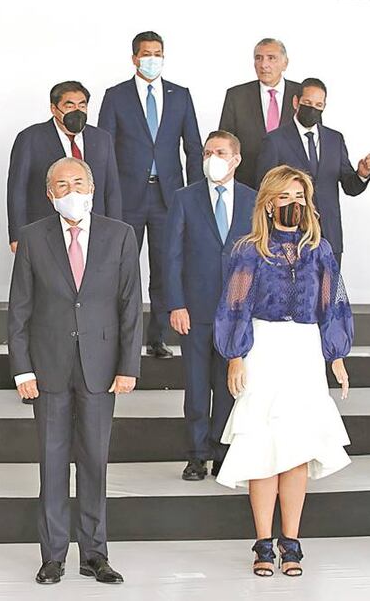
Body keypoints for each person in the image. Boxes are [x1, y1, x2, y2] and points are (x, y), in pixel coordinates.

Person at [214, 165, 353, 578]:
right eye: (285, 197)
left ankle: (291, 541)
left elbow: (333, 303)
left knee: (296, 450)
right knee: (262, 446)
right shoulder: (249, 250)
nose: (293, 204)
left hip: (304, 351)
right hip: (263, 348)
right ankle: (263, 542)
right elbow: (235, 303)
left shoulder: (320, 249)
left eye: (299, 197)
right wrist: (235, 355)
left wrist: (337, 355)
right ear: (270, 204)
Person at [8, 157, 142, 586]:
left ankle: (94, 554)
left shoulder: (120, 235)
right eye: (62, 185)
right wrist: (22, 369)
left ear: (93, 187)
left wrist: (129, 365)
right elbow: (19, 308)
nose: (71, 191)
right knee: (51, 464)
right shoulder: (33, 237)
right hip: (48, 368)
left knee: (95, 463)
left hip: (101, 368)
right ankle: (52, 556)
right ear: (50, 194)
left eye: (78, 182)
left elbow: (130, 306)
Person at [99, 31, 202, 359]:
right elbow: (103, 150)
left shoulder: (180, 95)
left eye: (158, 53)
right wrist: (106, 198)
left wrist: (196, 195)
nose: (152, 59)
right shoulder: (116, 96)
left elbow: (193, 147)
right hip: (127, 197)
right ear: (134, 58)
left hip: (168, 198)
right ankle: (121, 340)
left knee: (165, 267)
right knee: (122, 270)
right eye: (146, 53)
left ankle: (157, 338)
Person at [164, 131, 256, 481]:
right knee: (197, 386)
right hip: (195, 310)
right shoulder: (185, 198)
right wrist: (176, 303)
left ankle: (222, 452)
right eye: (206, 153)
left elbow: (259, 257)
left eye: (219, 152)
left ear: (236, 159)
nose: (211, 158)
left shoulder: (252, 199)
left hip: (236, 312)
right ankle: (196, 454)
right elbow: (171, 255)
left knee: (228, 384)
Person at [255, 78, 370, 267]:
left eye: (318, 105)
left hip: (330, 236)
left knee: (329, 285)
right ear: (296, 102)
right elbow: (264, 188)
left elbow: (350, 186)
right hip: (290, 236)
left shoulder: (335, 139)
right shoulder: (275, 140)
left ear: (324, 106)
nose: (312, 109)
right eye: (308, 103)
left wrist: (362, 174)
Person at [9, 80, 123, 253]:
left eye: (82, 106)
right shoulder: (30, 138)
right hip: (45, 230)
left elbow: (112, 189)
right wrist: (17, 235)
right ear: (54, 109)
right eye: (69, 106)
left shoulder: (102, 138)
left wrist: (116, 230)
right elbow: (18, 190)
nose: (77, 111)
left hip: (94, 230)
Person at [218, 38, 302, 188]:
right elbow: (225, 142)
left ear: (285, 63)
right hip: (247, 185)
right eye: (258, 58)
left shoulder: (302, 94)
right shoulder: (236, 96)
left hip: (293, 185)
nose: (264, 65)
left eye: (271, 58)